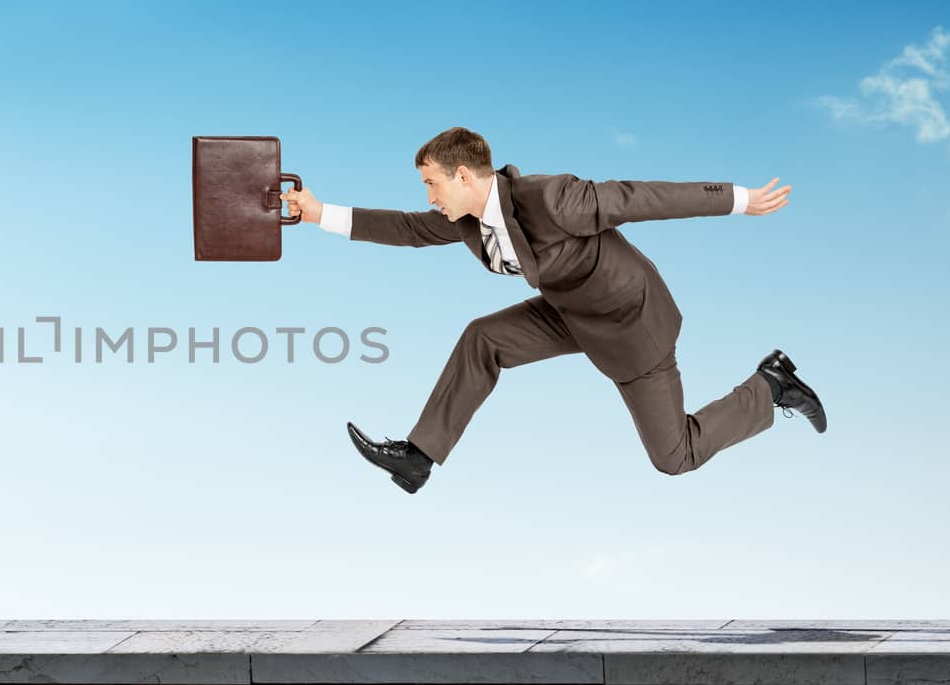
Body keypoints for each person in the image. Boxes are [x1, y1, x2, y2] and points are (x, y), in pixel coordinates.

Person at [281, 126, 826, 495]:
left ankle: (771, 385)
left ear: (464, 176)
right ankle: (418, 458)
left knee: (674, 455)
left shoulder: (552, 198)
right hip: (568, 310)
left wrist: (737, 198)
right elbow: (403, 228)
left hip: (629, 323)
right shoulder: (466, 219)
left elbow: (640, 198)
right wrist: (317, 214)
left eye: (431, 183)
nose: (429, 197)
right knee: (484, 338)